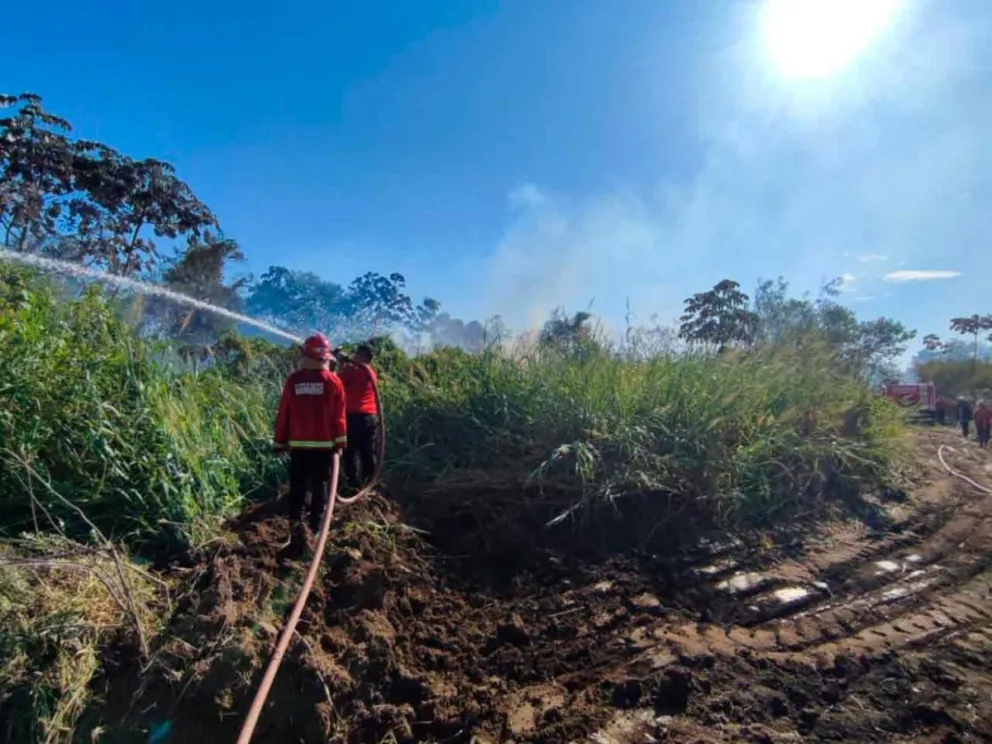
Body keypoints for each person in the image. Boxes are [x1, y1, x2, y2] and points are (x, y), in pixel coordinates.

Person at [273, 333, 348, 539]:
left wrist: (280, 441)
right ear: (326, 358)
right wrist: (340, 443)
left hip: (298, 446)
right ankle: (315, 527)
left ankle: (295, 525)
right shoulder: (334, 382)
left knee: (297, 485)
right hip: (324, 447)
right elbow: (339, 417)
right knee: (320, 486)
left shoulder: (294, 380)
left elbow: (284, 413)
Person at [336, 343, 379, 491]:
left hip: (354, 417)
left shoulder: (352, 371)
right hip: (370, 417)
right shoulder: (371, 372)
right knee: (368, 452)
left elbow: (337, 384)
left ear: (361, 356)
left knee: (350, 452)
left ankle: (352, 485)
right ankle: (369, 483)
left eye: (356, 354)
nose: (354, 356)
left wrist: (341, 364)